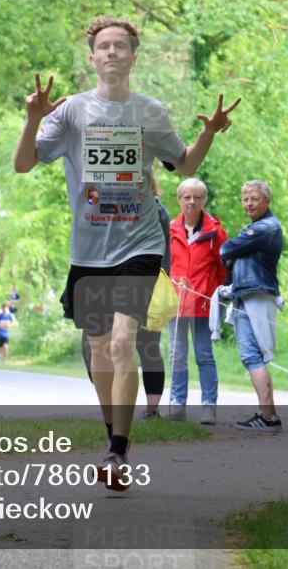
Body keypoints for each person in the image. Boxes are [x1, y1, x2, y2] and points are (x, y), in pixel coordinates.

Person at [14, 15, 239, 489]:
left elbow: (184, 164)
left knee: (121, 343)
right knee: (98, 348)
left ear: (134, 57)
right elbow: (23, 164)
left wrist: (210, 132)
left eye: (121, 46)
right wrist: (34, 118)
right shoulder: (72, 111)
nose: (112, 52)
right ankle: (114, 431)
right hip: (89, 250)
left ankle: (117, 454)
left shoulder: (149, 111)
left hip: (139, 243)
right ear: (92, 57)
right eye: (104, 46)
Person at [78, 166, 171, 421]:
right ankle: (110, 404)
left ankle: (152, 409)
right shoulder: (112, 209)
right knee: (96, 345)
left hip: (145, 284)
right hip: (108, 285)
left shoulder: (158, 211)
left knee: (148, 346)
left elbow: (163, 256)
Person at [220, 180, 284, 432]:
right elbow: (231, 252)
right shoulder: (257, 227)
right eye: (245, 199)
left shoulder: (267, 227)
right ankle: (267, 414)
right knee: (253, 355)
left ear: (266, 201)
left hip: (256, 294)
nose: (249, 203)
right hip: (249, 293)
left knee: (252, 355)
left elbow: (227, 247)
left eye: (254, 199)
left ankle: (268, 418)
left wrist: (233, 252)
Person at [167, 177, 228, 424]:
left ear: (204, 200)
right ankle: (177, 404)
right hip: (176, 304)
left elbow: (224, 268)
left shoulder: (216, 233)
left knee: (204, 354)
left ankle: (208, 406)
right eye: (187, 197)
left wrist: (216, 293)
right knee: (177, 354)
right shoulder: (169, 229)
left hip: (204, 304)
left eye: (197, 197)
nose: (192, 201)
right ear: (179, 200)